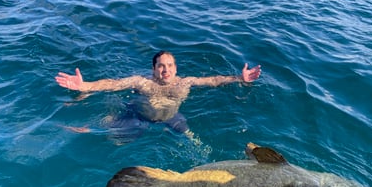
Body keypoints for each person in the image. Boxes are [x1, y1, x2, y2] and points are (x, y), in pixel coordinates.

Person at [55, 51, 261, 142]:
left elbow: (213, 80)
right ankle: (96, 126)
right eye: (161, 66)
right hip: (139, 116)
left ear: (175, 68)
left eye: (170, 65)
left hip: (171, 116)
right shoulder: (141, 82)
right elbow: (113, 84)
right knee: (114, 139)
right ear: (153, 69)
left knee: (192, 139)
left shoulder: (185, 82)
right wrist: (85, 86)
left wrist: (238, 79)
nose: (165, 70)